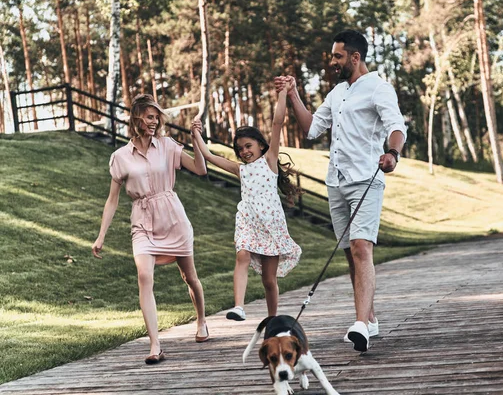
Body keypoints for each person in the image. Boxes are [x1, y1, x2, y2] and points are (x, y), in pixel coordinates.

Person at [274, 29, 407, 352]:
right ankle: (369, 319)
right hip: (336, 182)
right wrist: (293, 95)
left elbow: (396, 127)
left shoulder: (378, 87)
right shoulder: (336, 94)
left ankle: (360, 324)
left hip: (366, 179)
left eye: (337, 56)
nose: (332, 61)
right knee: (350, 252)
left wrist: (393, 154)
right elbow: (311, 129)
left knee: (362, 248)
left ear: (355, 57)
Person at [92, 94, 210, 365]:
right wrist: (101, 236)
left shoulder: (168, 146)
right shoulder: (120, 157)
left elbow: (200, 169)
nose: (154, 121)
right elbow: (112, 200)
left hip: (173, 218)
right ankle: (155, 344)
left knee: (190, 277)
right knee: (144, 275)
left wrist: (195, 140)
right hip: (142, 222)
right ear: (136, 119)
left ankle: (202, 320)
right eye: (149, 117)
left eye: (157, 117)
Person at [191, 81, 302, 321]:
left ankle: (272, 319)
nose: (244, 152)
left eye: (248, 146)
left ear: (261, 146)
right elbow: (210, 156)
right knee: (241, 255)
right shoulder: (240, 170)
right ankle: (239, 306)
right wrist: (196, 134)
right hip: (248, 221)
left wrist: (282, 94)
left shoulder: (269, 161)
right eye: (239, 148)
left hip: (270, 226)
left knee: (268, 280)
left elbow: (277, 122)